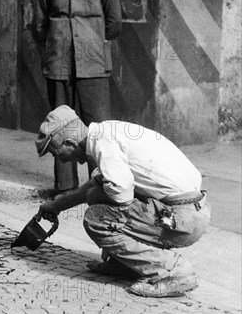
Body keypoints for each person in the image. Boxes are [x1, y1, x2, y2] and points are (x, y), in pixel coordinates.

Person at [34, 106, 211, 298]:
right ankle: (126, 264)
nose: (61, 160)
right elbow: (99, 184)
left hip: (181, 219)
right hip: (193, 210)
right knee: (98, 193)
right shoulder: (105, 131)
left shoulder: (103, 144)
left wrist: (99, 196)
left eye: (56, 153)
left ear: (69, 143)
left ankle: (173, 271)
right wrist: (55, 206)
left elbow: (120, 195)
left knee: (96, 219)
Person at [32, 0, 122, 195]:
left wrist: (90, 45)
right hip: (58, 65)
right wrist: (58, 45)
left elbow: (114, 23)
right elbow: (39, 27)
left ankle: (101, 186)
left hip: (92, 64)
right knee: (61, 126)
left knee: (98, 127)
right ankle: (65, 188)